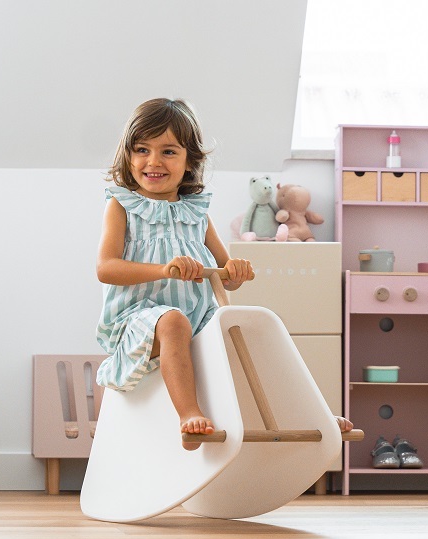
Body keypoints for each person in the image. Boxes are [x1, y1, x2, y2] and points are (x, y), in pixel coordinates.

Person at [96, 98, 352, 451]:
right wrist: (164, 270)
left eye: (168, 151)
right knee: (173, 322)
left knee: (253, 330)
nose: (153, 161)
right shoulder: (122, 206)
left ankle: (311, 411)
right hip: (138, 322)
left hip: (199, 318)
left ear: (189, 161)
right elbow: (106, 268)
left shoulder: (197, 214)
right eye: (142, 150)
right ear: (128, 155)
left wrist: (236, 270)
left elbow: (225, 274)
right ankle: (189, 414)